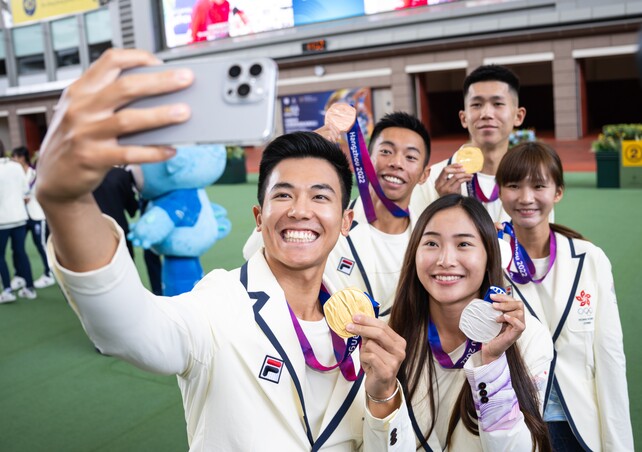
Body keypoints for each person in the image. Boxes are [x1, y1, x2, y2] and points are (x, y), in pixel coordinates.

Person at [36, 48, 413, 450]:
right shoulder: (217, 306)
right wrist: (68, 202)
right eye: (283, 195)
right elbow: (128, 327)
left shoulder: (360, 319)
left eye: (320, 197)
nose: (301, 211)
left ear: (345, 222)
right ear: (258, 216)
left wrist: (383, 395)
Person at [496, 142, 634, 451]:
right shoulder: (488, 261)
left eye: (539, 185)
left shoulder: (590, 258)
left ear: (558, 192)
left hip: (578, 424)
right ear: (501, 192)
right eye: (514, 185)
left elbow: (610, 357)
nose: (526, 197)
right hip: (515, 422)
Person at [389, 194, 553, 450]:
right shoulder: (389, 332)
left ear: (490, 254)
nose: (445, 260)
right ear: (414, 252)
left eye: (463, 244)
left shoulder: (529, 337)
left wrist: (492, 364)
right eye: (431, 243)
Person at [245, 112, 432, 319]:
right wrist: (304, 157)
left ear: (424, 174)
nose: (397, 163)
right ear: (366, 159)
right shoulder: (324, 221)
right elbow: (253, 253)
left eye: (411, 157)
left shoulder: (429, 237)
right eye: (386, 151)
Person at [410, 65, 531, 223]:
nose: (486, 114)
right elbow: (419, 242)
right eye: (476, 105)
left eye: (498, 104)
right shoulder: (429, 180)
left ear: (518, 116)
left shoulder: (532, 180)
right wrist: (446, 205)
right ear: (463, 118)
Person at [10, 146, 55, 289]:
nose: (12, 160)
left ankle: (49, 274)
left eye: (14, 157)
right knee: (17, 248)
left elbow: (40, 192)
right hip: (20, 217)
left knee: (41, 246)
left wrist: (28, 197)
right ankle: (19, 275)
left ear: (22, 158)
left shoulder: (34, 174)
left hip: (36, 215)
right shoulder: (14, 174)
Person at [0, 147, 37, 302]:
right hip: (20, 217)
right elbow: (25, 192)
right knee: (21, 252)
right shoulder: (16, 167)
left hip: (2, 221)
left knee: (1, 256)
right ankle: (29, 288)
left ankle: (7, 291)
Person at [92, 166, 139, 258]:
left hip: (93, 232)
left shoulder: (83, 176)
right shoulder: (121, 174)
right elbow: (132, 209)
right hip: (119, 231)